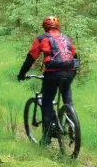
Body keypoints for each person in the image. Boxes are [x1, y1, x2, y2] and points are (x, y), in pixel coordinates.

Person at [17, 15, 78, 144]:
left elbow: (30, 58)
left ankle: (47, 136)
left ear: (45, 27)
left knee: (47, 101)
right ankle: (71, 123)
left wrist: (22, 74)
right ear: (58, 26)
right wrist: (73, 72)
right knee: (67, 97)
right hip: (70, 72)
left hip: (52, 73)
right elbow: (75, 56)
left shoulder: (41, 38)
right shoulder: (66, 38)